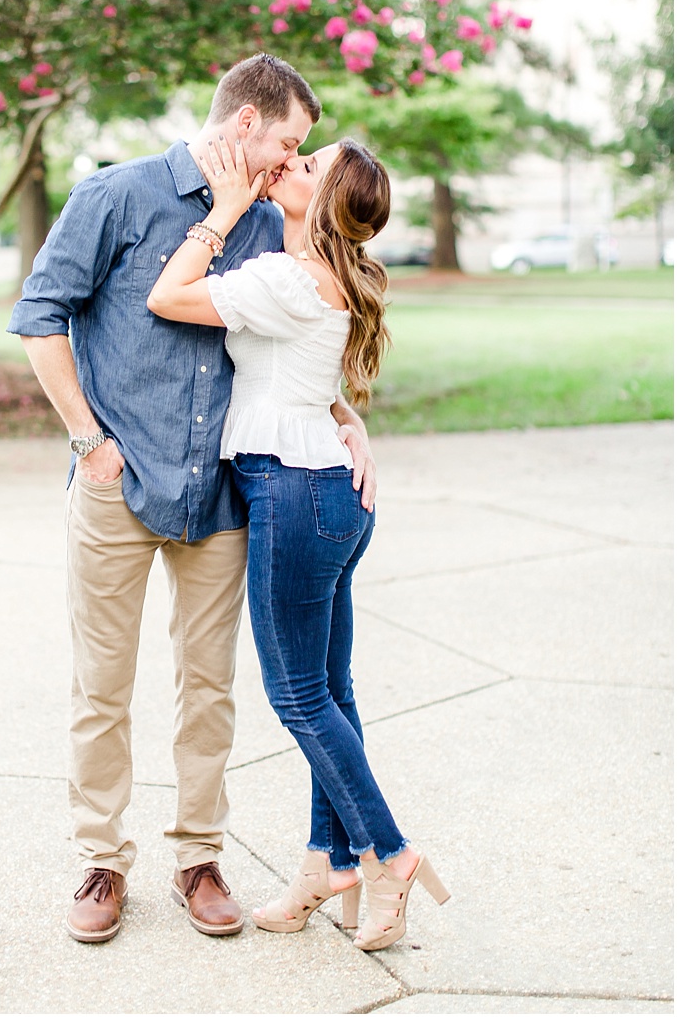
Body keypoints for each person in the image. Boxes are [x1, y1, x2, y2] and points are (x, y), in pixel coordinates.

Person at [9, 53, 377, 945]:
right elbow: (38, 317)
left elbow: (296, 329)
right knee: (102, 684)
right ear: (245, 124)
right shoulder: (115, 195)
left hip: (223, 494)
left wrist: (342, 412)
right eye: (289, 140)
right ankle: (101, 860)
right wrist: (89, 441)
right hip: (118, 483)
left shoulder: (277, 219)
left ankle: (198, 857)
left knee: (208, 687)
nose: (296, 159)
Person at [147, 136, 449, 951]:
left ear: (320, 203)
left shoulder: (284, 278)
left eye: (308, 165)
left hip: (292, 492)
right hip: (329, 494)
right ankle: (327, 862)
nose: (292, 163)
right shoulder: (317, 276)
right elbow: (315, 386)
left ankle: (392, 854)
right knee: (332, 693)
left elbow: (168, 297)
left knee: (300, 698)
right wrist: (352, 421)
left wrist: (224, 211)